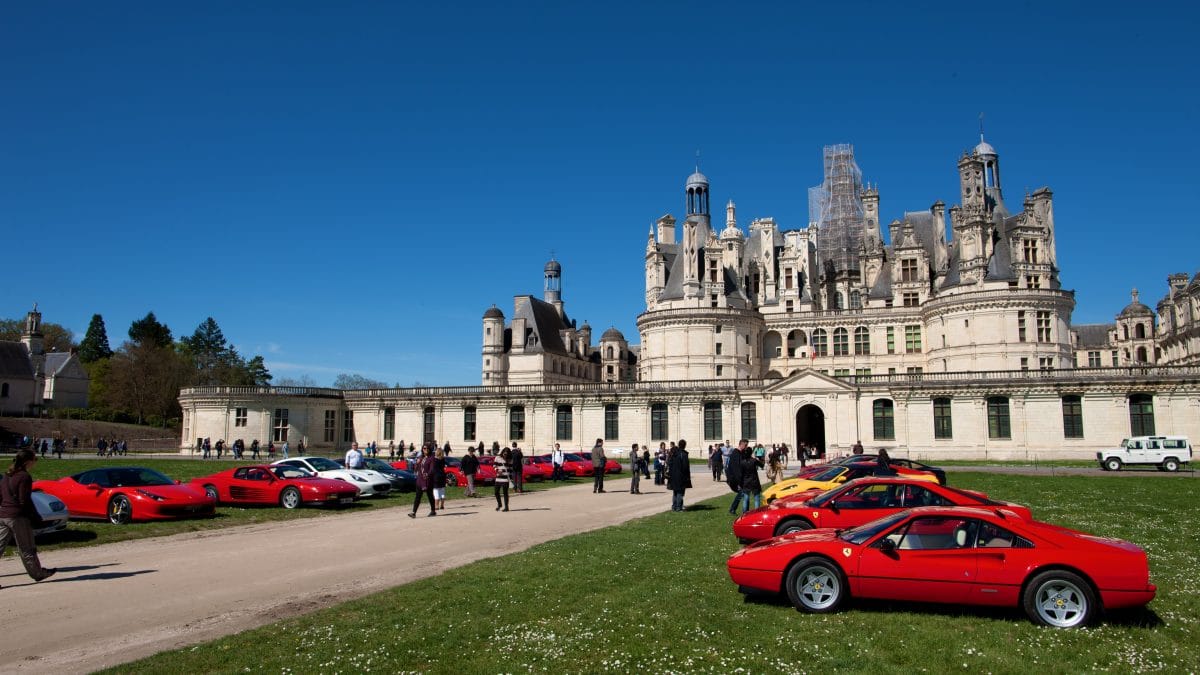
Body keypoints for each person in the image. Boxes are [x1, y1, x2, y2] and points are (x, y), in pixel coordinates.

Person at [0, 450, 56, 585]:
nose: (35, 462)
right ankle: (38, 573)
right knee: (26, 547)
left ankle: (38, 572)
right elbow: (24, 500)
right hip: (18, 516)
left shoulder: (7, 476)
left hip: (3, 515)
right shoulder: (24, 477)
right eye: (34, 460)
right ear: (27, 462)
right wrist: (35, 516)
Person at [408, 444, 437, 518]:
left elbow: (432, 469)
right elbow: (416, 469)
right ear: (422, 449)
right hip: (420, 480)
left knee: (430, 496)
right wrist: (417, 463)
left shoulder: (432, 458)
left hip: (428, 480)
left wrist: (428, 474)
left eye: (427, 448)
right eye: (424, 448)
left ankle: (433, 510)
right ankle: (413, 512)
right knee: (418, 496)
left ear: (429, 449)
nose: (426, 449)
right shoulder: (421, 458)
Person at [667, 439, 692, 511]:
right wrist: (687, 476)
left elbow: (670, 463)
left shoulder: (674, 453)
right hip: (680, 476)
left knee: (675, 492)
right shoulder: (683, 454)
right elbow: (685, 467)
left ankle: (674, 507)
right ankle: (679, 507)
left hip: (673, 475)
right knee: (680, 492)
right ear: (684, 445)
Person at [741, 440, 765, 511]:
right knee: (756, 499)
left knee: (745, 499)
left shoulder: (742, 462)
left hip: (746, 481)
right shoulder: (753, 460)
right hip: (754, 481)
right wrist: (758, 459)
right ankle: (756, 513)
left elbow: (741, 472)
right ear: (751, 453)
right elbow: (762, 465)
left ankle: (744, 514)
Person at [726, 440, 746, 514]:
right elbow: (736, 469)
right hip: (734, 478)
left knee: (743, 493)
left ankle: (737, 509)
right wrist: (739, 481)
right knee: (742, 492)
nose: (746, 447)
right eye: (745, 445)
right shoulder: (735, 453)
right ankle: (733, 509)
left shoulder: (741, 453)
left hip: (738, 478)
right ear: (741, 445)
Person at [494, 447, 511, 511]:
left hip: (506, 479)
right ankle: (499, 504)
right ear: (502, 452)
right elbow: (494, 466)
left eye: (506, 454)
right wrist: (497, 470)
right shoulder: (497, 458)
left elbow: (511, 469)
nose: (505, 455)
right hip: (498, 478)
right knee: (496, 492)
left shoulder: (510, 459)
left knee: (505, 493)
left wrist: (510, 477)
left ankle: (506, 507)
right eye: (504, 453)